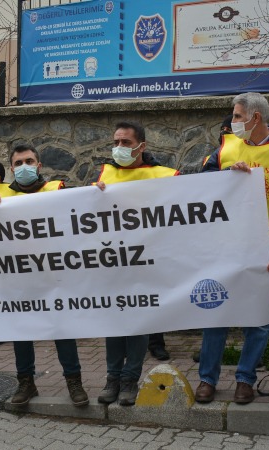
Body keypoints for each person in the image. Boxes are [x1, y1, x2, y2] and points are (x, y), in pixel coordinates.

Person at [196, 92, 269, 405]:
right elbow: (200, 185)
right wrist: (225, 176)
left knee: (258, 319)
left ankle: (245, 378)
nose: (232, 122)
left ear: (254, 117)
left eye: (236, 116)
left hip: (267, 247)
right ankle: (207, 379)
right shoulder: (226, 147)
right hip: (225, 245)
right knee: (215, 312)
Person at [0, 144, 88, 407]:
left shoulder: (57, 190)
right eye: (18, 163)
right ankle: (26, 382)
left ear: (39, 166)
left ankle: (74, 381)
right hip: (18, 276)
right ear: (11, 168)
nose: (24, 167)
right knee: (22, 331)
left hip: (54, 274)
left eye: (29, 161)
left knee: (62, 328)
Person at [93, 121, 179, 406]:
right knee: (114, 323)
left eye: (126, 143)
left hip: (146, 264)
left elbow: (197, 196)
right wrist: (93, 195)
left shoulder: (163, 176)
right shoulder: (104, 174)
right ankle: (113, 378)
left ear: (141, 146)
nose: (119, 147)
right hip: (113, 263)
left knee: (139, 324)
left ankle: (130, 379)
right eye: (116, 142)